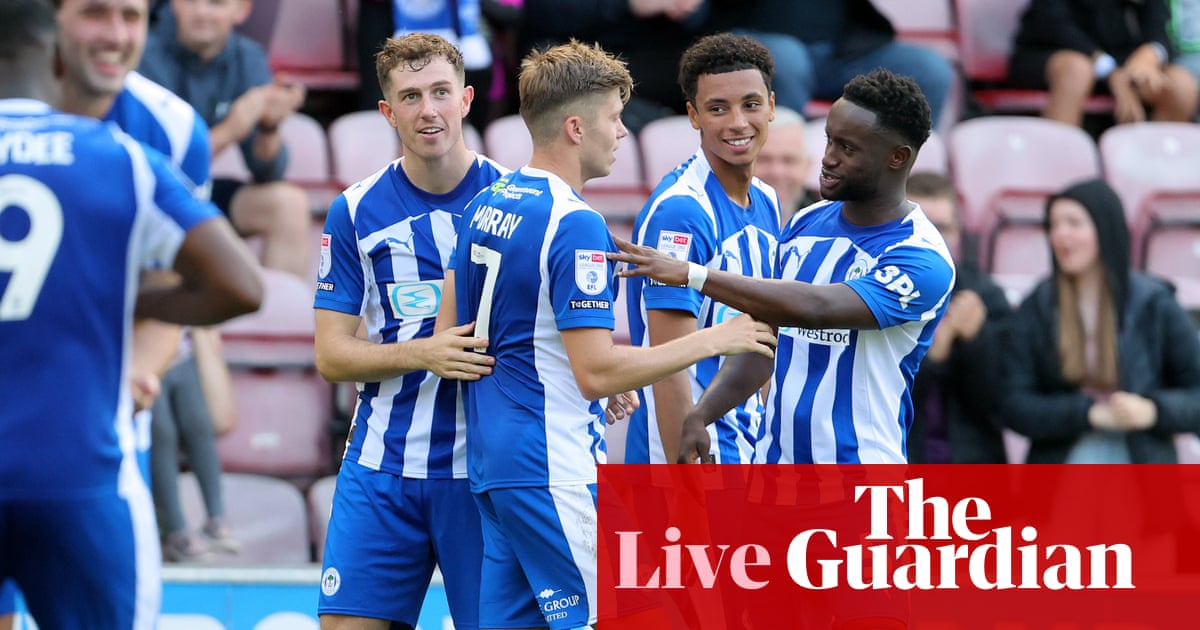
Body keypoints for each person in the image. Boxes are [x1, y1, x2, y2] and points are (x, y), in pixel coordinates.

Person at [438, 40, 776, 629]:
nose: (622, 133)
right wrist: (715, 340)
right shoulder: (576, 223)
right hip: (553, 463)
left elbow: (454, 338)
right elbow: (596, 373)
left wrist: (571, 370)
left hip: (494, 463)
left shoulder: (487, 202)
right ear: (576, 128)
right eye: (614, 118)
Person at [0, 2, 263, 629]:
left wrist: (134, 356)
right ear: (55, 35)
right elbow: (232, 281)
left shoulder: (170, 123)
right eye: (95, 13)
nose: (115, 36)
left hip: (105, 413)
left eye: (132, 16)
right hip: (80, 459)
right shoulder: (123, 157)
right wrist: (101, 294)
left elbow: (168, 287)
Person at [611, 68, 955, 466]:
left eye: (847, 148)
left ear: (898, 157)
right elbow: (766, 336)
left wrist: (693, 274)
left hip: (859, 477)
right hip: (775, 474)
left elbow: (817, 308)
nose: (828, 158)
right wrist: (703, 414)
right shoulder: (806, 224)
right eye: (828, 140)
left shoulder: (921, 258)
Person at [313, 33, 503, 630]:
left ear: (466, 99)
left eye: (441, 92)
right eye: (411, 97)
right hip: (382, 469)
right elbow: (332, 355)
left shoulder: (517, 203)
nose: (428, 110)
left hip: (483, 474)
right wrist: (427, 353)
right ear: (387, 112)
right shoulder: (355, 210)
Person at [624, 33, 781, 465]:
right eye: (718, 108)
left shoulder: (767, 200)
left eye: (751, 104)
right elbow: (669, 364)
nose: (737, 122)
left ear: (771, 105)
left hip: (747, 446)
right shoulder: (681, 213)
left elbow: (762, 336)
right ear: (693, 116)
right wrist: (688, 477)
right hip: (689, 457)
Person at [1000, 179, 1200, 463]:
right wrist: (1088, 413)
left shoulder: (1154, 302)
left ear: (1105, 229)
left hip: (1142, 461)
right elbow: (1013, 404)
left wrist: (1153, 411)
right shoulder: (1038, 306)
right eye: (1054, 224)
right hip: (1062, 463)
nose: (1060, 234)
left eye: (1074, 223)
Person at [139, 0, 312, 280]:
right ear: (175, 5)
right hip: (153, 199)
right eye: (191, 1)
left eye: (216, 3)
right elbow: (157, 169)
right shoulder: (146, 55)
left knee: (288, 204)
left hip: (203, 194)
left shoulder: (248, 57)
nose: (201, 12)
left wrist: (269, 127)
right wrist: (232, 128)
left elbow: (267, 173)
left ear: (241, 10)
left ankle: (280, 307)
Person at [705, 0, 955, 128]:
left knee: (929, 69)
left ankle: (903, 176)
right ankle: (781, 167)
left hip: (842, 51)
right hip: (759, 43)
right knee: (788, 59)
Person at [904, 172, 1010, 464]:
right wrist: (935, 352)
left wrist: (977, 339)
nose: (930, 239)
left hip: (970, 468)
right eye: (918, 226)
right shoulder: (870, 296)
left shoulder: (985, 296)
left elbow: (1003, 404)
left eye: (942, 228)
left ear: (958, 235)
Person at [518, 0, 710, 132]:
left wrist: (688, 8)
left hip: (654, 55)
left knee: (707, 65)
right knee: (549, 58)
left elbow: (707, 18)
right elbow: (538, 13)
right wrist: (626, 4)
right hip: (581, 53)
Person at [1009, 0, 1199, 127]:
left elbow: (1159, 21)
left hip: (1122, 62)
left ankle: (1154, 169)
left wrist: (1151, 53)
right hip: (1056, 54)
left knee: (1181, 84)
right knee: (1077, 70)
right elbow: (1053, 24)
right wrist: (1108, 70)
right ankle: (1060, 169)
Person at [151, 327, 241, 562]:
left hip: (181, 359)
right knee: (161, 431)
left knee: (199, 423)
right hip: (148, 361)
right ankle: (176, 530)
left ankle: (216, 518)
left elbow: (221, 421)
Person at [755, 105, 816, 224]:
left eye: (789, 161)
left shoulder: (831, 226)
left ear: (807, 166)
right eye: (763, 159)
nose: (776, 172)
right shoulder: (718, 224)